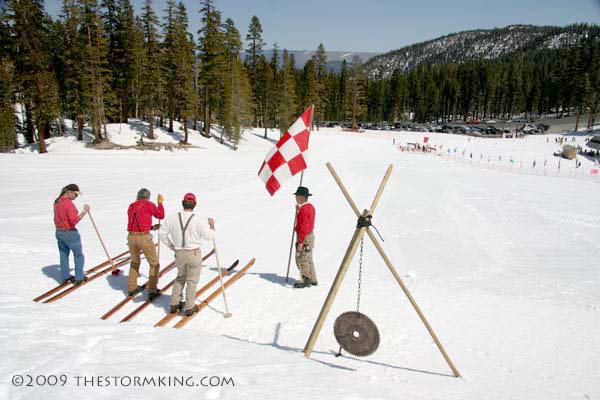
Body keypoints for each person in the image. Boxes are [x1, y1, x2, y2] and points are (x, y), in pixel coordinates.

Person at [159, 193, 215, 316]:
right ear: (194, 204)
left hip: (179, 252)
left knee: (180, 277)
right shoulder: (199, 219)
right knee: (192, 280)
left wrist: (171, 246)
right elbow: (209, 236)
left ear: (183, 203)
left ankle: (174, 304)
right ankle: (189, 307)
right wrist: (212, 225)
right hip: (193, 252)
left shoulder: (172, 217)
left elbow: (161, 234)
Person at [126, 188, 164, 298]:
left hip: (131, 237)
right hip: (144, 238)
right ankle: (152, 289)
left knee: (134, 262)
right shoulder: (149, 205)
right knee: (154, 263)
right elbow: (160, 215)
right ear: (148, 197)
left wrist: (151, 227)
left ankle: (132, 287)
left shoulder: (131, 206)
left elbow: (137, 221)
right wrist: (160, 204)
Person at [53, 184, 90, 284]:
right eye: (75, 194)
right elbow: (74, 220)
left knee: (63, 254)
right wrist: (84, 212)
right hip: (70, 233)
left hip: (59, 231)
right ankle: (79, 277)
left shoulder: (57, 201)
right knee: (78, 255)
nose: (76, 196)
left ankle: (66, 276)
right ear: (68, 192)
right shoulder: (68, 204)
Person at [293, 186, 317, 289]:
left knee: (302, 257)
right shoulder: (310, 207)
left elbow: (304, 226)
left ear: (301, 197)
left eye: (297, 196)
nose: (296, 197)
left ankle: (306, 278)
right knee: (309, 257)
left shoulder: (304, 210)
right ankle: (313, 279)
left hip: (305, 236)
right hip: (310, 235)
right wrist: (299, 210)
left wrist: (301, 242)